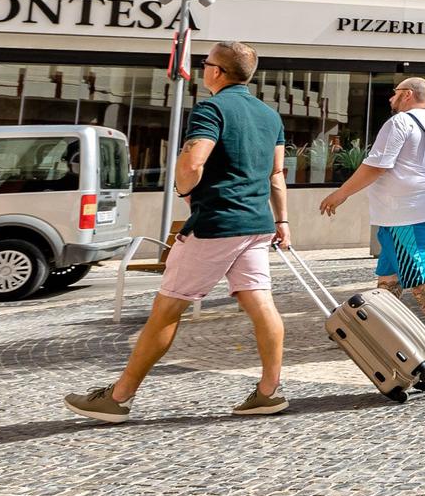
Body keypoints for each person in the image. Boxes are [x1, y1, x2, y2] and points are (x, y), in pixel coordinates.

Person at [65, 41, 291, 422]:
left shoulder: (212, 108)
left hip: (217, 224)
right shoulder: (270, 117)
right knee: (261, 305)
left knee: (167, 309)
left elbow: (193, 161)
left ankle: (117, 399)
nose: (204, 69)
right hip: (257, 225)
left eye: (206, 64)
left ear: (217, 71)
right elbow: (276, 174)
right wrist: (282, 221)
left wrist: (184, 189)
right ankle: (269, 391)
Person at [317, 76, 425, 350]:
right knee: (389, 277)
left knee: (420, 278)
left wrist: (341, 193)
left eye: (394, 93)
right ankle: (380, 330)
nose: (390, 98)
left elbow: (377, 166)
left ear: (407, 94)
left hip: (405, 214)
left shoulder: (400, 122)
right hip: (423, 211)